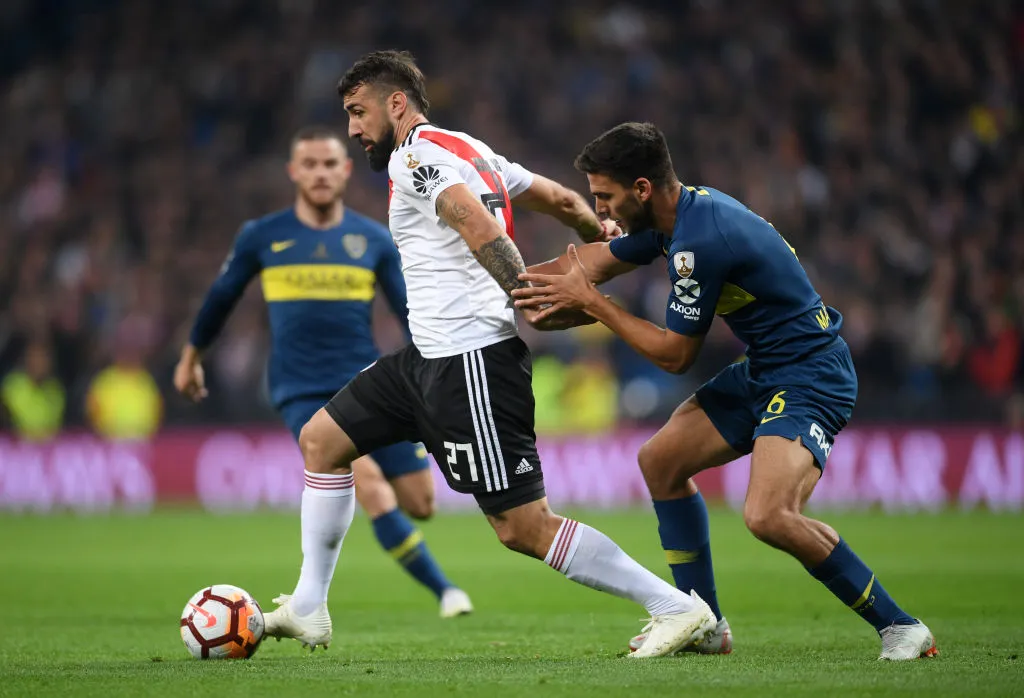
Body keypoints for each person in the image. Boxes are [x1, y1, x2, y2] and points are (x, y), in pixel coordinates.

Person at [262, 50, 717, 658]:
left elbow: (477, 226)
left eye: (357, 112)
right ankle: (310, 607)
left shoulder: (419, 157)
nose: (352, 129)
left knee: (522, 527)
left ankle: (678, 608)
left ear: (396, 104)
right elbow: (558, 198)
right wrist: (597, 234)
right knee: (322, 440)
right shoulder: (472, 150)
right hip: (423, 358)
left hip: (471, 361)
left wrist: (526, 296)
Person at [512, 122, 938, 661]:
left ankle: (900, 626)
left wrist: (594, 305)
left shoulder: (700, 240)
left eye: (606, 197)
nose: (603, 214)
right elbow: (577, 269)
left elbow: (674, 355)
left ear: (642, 189)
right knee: (660, 461)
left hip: (811, 374)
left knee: (769, 515)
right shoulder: (672, 219)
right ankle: (706, 624)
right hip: (765, 368)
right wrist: (487, 281)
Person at [173, 126, 473, 622]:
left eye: (329, 163)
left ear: (346, 171)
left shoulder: (372, 239)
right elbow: (221, 297)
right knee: (367, 482)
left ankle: (428, 586)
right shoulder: (262, 237)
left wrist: (437, 367)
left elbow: (408, 311)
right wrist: (191, 355)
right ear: (293, 172)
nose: (319, 173)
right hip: (302, 390)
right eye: (309, 164)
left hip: (370, 384)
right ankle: (445, 591)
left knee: (421, 502)